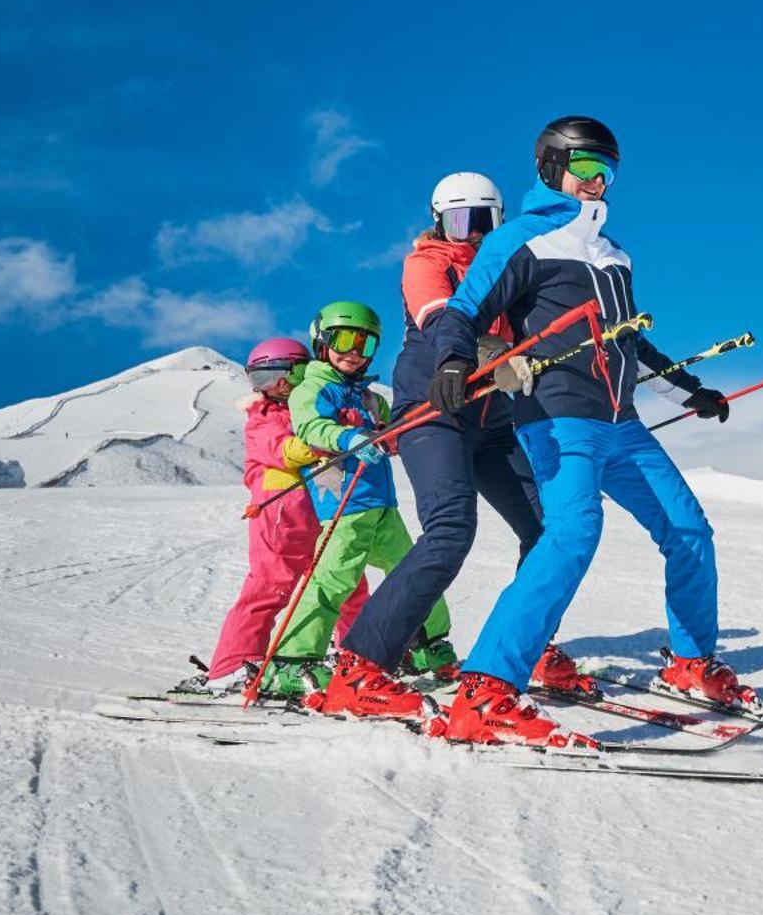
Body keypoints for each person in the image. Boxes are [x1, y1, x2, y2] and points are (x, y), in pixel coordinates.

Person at [422, 116, 742, 746]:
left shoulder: (614, 253)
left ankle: (690, 661)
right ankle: (485, 689)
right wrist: (455, 360)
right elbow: (463, 309)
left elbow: (630, 338)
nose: (598, 181)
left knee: (688, 529)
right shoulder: (522, 239)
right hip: (556, 412)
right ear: (550, 168)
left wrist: (688, 389)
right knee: (572, 534)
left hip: (622, 420)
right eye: (585, 167)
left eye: (607, 171)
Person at [311, 174, 547, 720]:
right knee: (450, 530)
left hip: (491, 420)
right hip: (433, 410)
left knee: (549, 530)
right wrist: (481, 351)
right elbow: (439, 317)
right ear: (440, 219)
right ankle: (361, 666)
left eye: (486, 222)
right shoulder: (426, 261)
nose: (474, 234)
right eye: (462, 222)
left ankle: (525, 650)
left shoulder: (508, 266)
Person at [258, 301, 456, 699]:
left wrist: (402, 431)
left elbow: (389, 431)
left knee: (416, 571)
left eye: (365, 346)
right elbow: (311, 427)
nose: (354, 352)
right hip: (343, 505)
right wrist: (346, 438)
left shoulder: (368, 397)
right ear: (322, 341)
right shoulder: (313, 387)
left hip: (382, 505)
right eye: (345, 340)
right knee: (332, 580)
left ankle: (425, 646)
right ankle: (292, 662)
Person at [172, 337, 369, 694]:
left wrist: (349, 425)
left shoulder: (312, 406)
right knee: (270, 585)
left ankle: (355, 658)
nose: (271, 387)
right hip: (282, 514)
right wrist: (330, 437)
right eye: (260, 379)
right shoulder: (263, 417)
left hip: (324, 510)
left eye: (277, 376)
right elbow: (287, 451)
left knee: (347, 584)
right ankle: (232, 666)